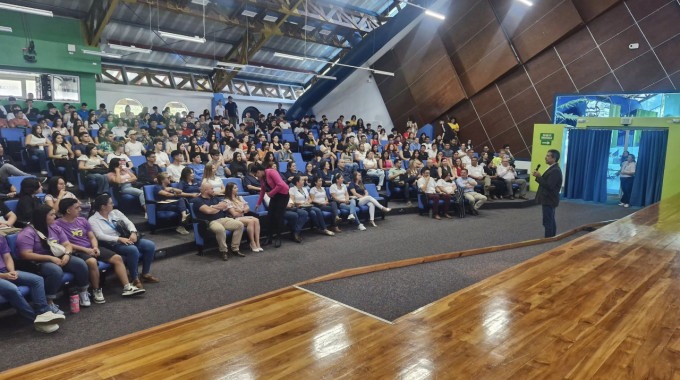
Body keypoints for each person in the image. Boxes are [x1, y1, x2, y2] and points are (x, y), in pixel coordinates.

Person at [56, 198, 145, 300]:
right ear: (68, 211)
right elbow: (66, 243)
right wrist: (86, 250)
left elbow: (92, 237)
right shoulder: (58, 224)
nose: (80, 209)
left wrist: (94, 247)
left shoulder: (82, 220)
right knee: (92, 262)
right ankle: (96, 290)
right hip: (77, 251)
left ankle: (127, 287)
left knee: (117, 258)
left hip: (92, 247)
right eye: (77, 208)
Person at [17, 205, 90, 312]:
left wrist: (67, 254)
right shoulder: (27, 233)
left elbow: (67, 244)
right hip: (39, 261)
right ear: (42, 217)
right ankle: (48, 301)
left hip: (59, 257)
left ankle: (83, 292)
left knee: (80, 263)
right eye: (51, 215)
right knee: (55, 271)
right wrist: (50, 258)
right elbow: (25, 254)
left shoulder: (55, 227)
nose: (55, 217)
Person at [89, 194, 159, 289]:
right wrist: (119, 239)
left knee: (150, 245)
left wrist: (133, 232)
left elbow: (128, 222)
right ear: (103, 206)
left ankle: (145, 274)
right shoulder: (93, 220)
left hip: (126, 238)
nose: (113, 204)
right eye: (110, 203)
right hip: (112, 243)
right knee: (132, 249)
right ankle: (134, 278)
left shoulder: (116, 212)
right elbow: (100, 236)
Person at [0, 234, 66, 333]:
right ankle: (36, 320)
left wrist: (12, 271)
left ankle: (44, 313)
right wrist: (4, 276)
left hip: (6, 271)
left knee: (37, 280)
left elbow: (7, 257)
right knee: (12, 289)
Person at [191, 183, 245, 261]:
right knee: (220, 229)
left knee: (239, 225)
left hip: (222, 219)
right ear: (206, 190)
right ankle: (224, 251)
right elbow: (208, 211)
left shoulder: (214, 198)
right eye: (212, 189)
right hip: (210, 222)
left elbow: (225, 205)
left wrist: (212, 207)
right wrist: (217, 208)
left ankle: (235, 248)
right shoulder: (198, 200)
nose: (214, 190)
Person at [255, 162, 289, 248]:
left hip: (283, 195)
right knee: (270, 216)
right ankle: (269, 237)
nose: (256, 176)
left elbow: (280, 185)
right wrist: (258, 203)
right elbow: (263, 189)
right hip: (274, 195)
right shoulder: (262, 177)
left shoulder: (271, 172)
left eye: (257, 173)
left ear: (260, 171)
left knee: (278, 216)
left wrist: (270, 193)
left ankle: (278, 237)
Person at [533, 149, 564, 238]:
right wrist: (539, 177)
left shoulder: (555, 170)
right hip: (548, 198)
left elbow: (549, 186)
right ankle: (551, 237)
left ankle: (548, 239)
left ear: (554, 158)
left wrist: (539, 176)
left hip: (549, 199)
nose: (545, 157)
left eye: (548, 156)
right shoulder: (552, 168)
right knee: (550, 219)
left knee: (548, 220)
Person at [224, 183, 262, 252]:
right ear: (230, 190)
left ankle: (258, 243)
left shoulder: (240, 197)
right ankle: (252, 243)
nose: (237, 189)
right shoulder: (227, 201)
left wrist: (241, 210)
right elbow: (234, 214)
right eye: (235, 188)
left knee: (256, 220)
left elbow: (247, 208)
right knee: (251, 221)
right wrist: (242, 210)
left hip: (242, 216)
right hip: (234, 219)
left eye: (237, 187)